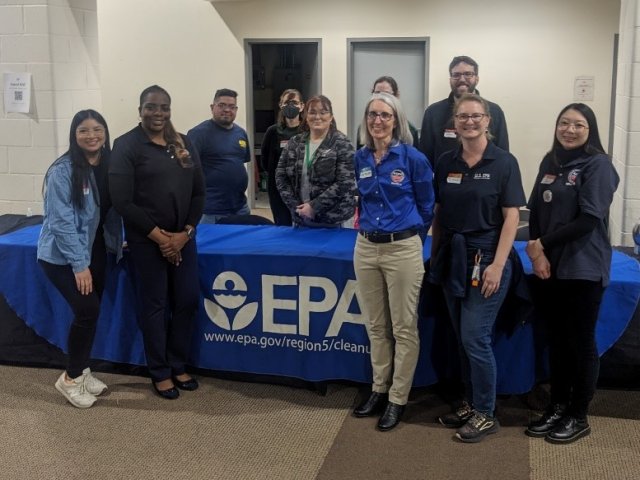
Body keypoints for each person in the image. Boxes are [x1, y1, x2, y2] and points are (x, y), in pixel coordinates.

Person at [429, 93, 525, 442]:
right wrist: (436, 255)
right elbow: (439, 213)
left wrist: (498, 265)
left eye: (476, 116)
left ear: (488, 120)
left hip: (487, 258)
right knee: (461, 337)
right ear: (453, 123)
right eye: (462, 117)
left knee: (475, 336)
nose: (469, 122)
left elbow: (512, 216)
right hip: (452, 259)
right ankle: (469, 403)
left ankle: (485, 412)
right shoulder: (445, 161)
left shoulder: (504, 162)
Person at [524, 103, 619, 444]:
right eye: (564, 123)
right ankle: (557, 405)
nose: (569, 129)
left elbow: (588, 220)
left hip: (582, 267)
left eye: (578, 124)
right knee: (557, 341)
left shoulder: (599, 166)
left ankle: (578, 415)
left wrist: (540, 245)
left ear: (590, 130)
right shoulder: (550, 162)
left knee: (581, 343)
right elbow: (534, 210)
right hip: (548, 266)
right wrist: (538, 252)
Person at [110, 85, 205, 400]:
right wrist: (161, 238)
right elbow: (122, 201)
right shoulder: (126, 145)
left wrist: (184, 234)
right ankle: (160, 372)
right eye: (151, 107)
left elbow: (198, 193)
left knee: (188, 300)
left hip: (183, 239)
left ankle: (179, 364)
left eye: (164, 107)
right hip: (146, 241)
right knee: (155, 305)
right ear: (140, 109)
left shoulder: (184, 143)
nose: (158, 113)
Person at [352, 92, 434, 431]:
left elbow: (428, 206)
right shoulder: (360, 158)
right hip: (366, 248)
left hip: (402, 249)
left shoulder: (413, 159)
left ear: (396, 120)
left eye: (385, 115)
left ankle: (398, 398)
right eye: (372, 115)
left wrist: (410, 237)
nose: (378, 121)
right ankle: (378, 389)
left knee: (403, 328)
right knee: (376, 326)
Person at [37, 109, 122, 409]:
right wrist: (79, 265)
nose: (92, 135)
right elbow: (61, 223)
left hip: (97, 249)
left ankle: (83, 370)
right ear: (74, 135)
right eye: (83, 130)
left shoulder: (109, 162)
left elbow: (111, 209)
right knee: (87, 310)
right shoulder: (63, 170)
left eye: (97, 129)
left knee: (92, 313)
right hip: (62, 257)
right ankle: (71, 378)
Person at [275, 94, 357, 227]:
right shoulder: (294, 143)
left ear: (331, 117)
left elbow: (345, 183)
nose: (317, 117)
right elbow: (280, 176)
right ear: (306, 117)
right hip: (301, 218)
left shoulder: (342, 143)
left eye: (323, 112)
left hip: (335, 220)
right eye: (312, 112)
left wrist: (314, 207)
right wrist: (296, 207)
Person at [419, 55, 509, 167]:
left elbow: (502, 153)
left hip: (485, 180)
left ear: (477, 78)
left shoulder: (494, 111)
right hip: (445, 181)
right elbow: (424, 157)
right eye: (456, 75)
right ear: (450, 79)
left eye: (468, 74)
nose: (462, 79)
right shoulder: (433, 112)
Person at [187, 88, 251, 224]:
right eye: (221, 105)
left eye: (231, 106)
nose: (227, 110)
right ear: (212, 107)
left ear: (236, 109)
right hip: (210, 211)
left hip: (240, 207)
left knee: (240, 245)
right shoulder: (197, 134)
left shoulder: (241, 133)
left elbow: (240, 163)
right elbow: (187, 170)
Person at [261, 89, 305, 226]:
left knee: (304, 224)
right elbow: (265, 161)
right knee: (282, 224)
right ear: (280, 105)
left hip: (303, 188)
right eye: (286, 103)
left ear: (302, 106)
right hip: (278, 189)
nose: (290, 106)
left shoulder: (307, 131)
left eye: (294, 102)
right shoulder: (273, 132)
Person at [355, 76, 419, 149]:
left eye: (386, 94)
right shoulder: (364, 128)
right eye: (377, 93)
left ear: (397, 96)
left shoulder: (410, 130)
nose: (381, 97)